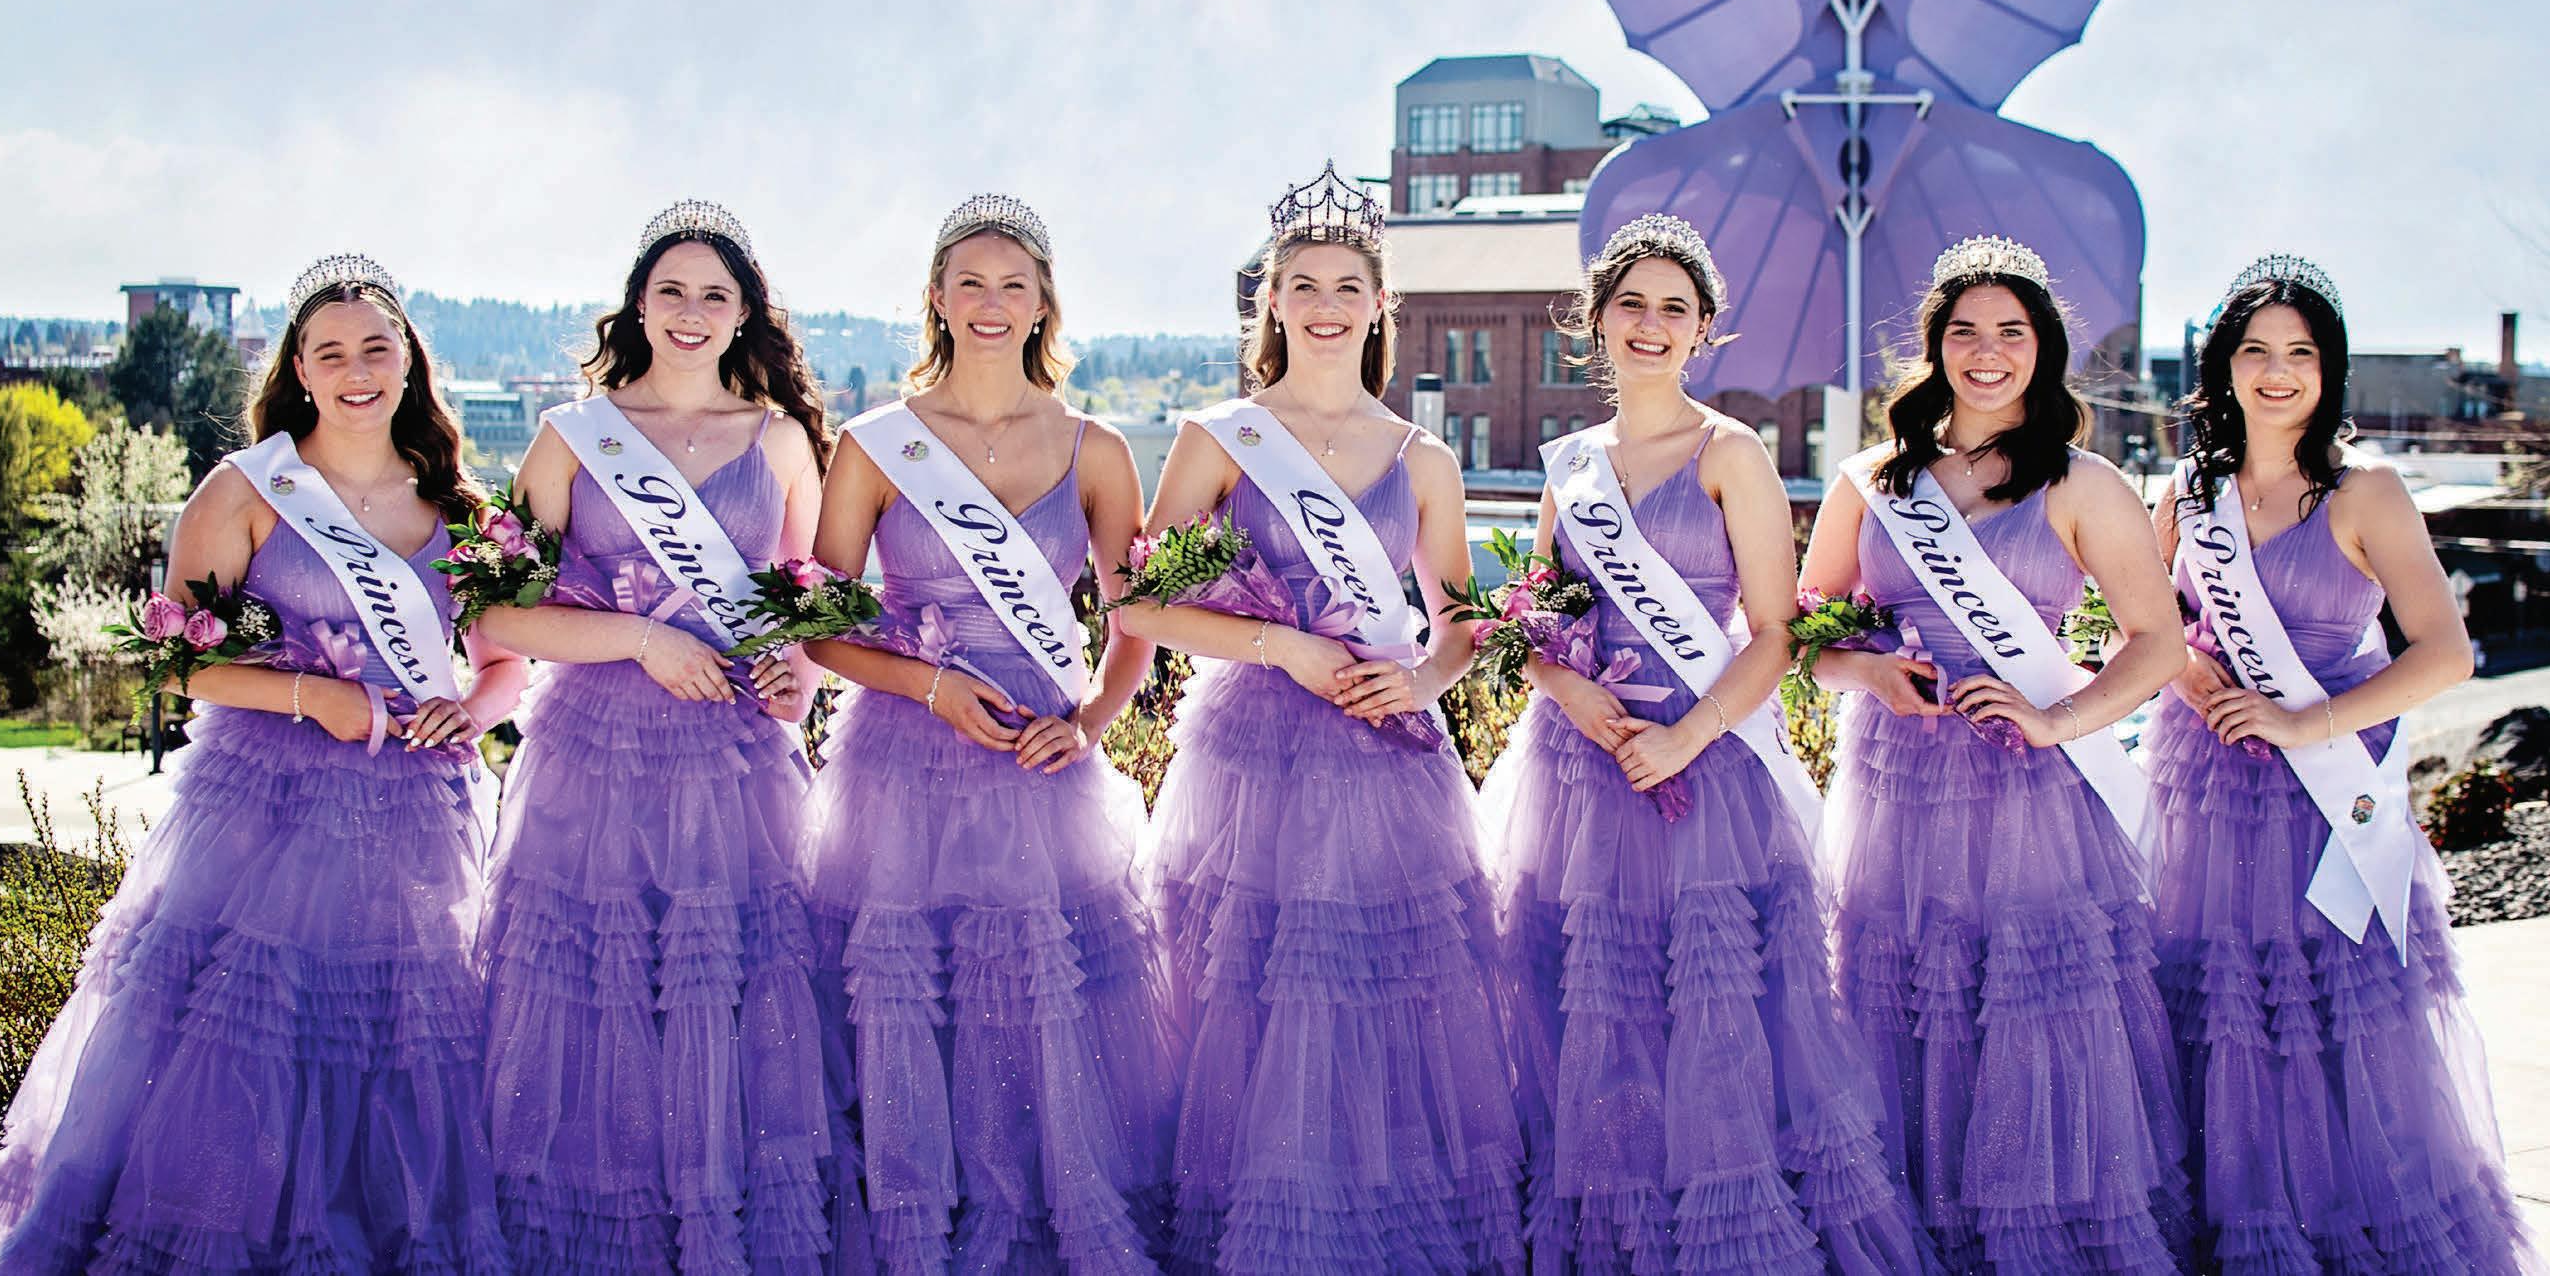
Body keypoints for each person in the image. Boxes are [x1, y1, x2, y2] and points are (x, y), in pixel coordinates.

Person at [0, 255, 516, 1273]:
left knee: (400, 1050)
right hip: (262, 811)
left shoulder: (459, 507)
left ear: (410, 364)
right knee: (242, 1041)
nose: (357, 371)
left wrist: (469, 707)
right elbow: (177, 664)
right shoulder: (247, 491)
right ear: (300, 370)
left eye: (377, 348)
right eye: (331, 353)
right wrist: (312, 696)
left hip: (419, 813)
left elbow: (505, 667)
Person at [1480, 214, 1932, 1274]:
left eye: (1672, 309)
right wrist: (1567, 689)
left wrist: (1684, 736)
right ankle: (1616, 1234)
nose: (1650, 324)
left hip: (1705, 760)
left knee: (1715, 1013)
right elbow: (1536, 620)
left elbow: (1774, 633)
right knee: (1596, 1006)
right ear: (1596, 322)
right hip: (1581, 767)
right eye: (1630, 304)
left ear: (1702, 331)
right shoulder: (1570, 465)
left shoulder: (1732, 454)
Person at [1122, 164, 1523, 1275]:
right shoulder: (1220, 437)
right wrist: (1280, 645)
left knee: (1382, 990)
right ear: (1273, 303)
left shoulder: (1422, 456)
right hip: (1251, 753)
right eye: (1303, 284)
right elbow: (1140, 602)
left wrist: (1425, 683)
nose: (1327, 304)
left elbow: (1461, 621)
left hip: (1385, 754)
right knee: (1248, 988)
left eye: (1349, 285)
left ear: (1380, 305)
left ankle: (1373, 1229)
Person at [476, 201, 868, 1273]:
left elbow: (805, 613)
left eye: (713, 295)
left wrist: (794, 676)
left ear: (743, 315)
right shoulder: (574, 436)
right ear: (638, 307)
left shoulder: (781, 440)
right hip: (589, 760)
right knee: (590, 999)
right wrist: (640, 639)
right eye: (671, 292)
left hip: (733, 765)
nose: (691, 312)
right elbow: (500, 617)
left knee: (728, 997)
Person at [798, 193, 1177, 1273]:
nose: (991, 301)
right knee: (914, 1005)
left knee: (1034, 1009)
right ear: (936, 297)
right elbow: (821, 628)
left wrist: (1091, 722)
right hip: (903, 757)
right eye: (970, 281)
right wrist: (930, 688)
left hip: (1037, 758)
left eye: (1014, 283)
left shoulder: (1097, 447)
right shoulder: (875, 445)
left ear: (1044, 303)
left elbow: (1135, 620)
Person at [2148, 255, 2548, 1273]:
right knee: (2221, 1007)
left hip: (2328, 790)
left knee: (2329, 1015)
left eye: (2300, 352)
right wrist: (2194, 678)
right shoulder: (2186, 494)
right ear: (2222, 367)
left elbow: (2445, 654)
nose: (2277, 372)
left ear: (2328, 370)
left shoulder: (2365, 491)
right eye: (2254, 351)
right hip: (2206, 778)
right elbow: (2149, 629)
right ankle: (2238, 1228)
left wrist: (2304, 723)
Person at [1799, 235, 2191, 1272]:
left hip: (2029, 790)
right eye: (1964, 331)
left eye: (2010, 332)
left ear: (2042, 347)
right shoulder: (1872, 480)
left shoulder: (2082, 482)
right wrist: (1867, 671)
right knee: (1903, 1001)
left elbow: (2157, 642)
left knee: (2026, 1007)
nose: (1986, 352)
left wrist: (2061, 720)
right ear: (1933, 347)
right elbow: (1804, 639)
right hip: (1896, 777)